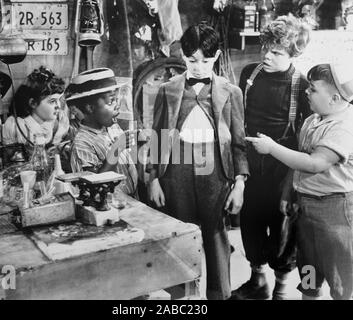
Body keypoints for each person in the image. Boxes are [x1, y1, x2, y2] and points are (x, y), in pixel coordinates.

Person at [147, 23, 249, 300]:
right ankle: (181, 296)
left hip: (216, 170)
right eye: (192, 60)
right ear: (183, 57)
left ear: (216, 57)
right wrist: (154, 178)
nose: (199, 67)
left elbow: (239, 142)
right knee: (180, 233)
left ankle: (219, 294)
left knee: (216, 234)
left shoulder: (232, 92)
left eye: (206, 60)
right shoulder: (167, 90)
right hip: (176, 169)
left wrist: (239, 183)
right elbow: (157, 136)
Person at [245, 63, 353, 300]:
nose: (306, 91)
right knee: (309, 273)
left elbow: (313, 164)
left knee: (340, 280)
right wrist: (287, 190)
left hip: (335, 214)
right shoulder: (313, 120)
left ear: (334, 98)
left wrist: (272, 148)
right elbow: (298, 163)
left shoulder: (344, 127)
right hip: (306, 209)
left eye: (313, 89)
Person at [231, 15, 311, 300]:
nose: (266, 55)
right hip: (251, 164)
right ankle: (258, 281)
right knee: (250, 221)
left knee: (282, 228)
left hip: (282, 165)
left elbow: (306, 138)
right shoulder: (249, 74)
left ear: (293, 54)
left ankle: (281, 287)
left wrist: (291, 179)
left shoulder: (301, 84)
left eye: (276, 52)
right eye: (265, 47)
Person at [67, 68, 138, 197]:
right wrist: (116, 149)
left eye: (117, 100)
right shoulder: (82, 144)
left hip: (130, 199)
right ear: (90, 108)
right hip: (108, 207)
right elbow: (93, 188)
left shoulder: (113, 127)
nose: (117, 106)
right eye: (111, 101)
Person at [2, 66, 70, 150]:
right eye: (52, 101)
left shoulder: (58, 122)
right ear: (33, 103)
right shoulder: (16, 126)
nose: (58, 106)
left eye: (59, 100)